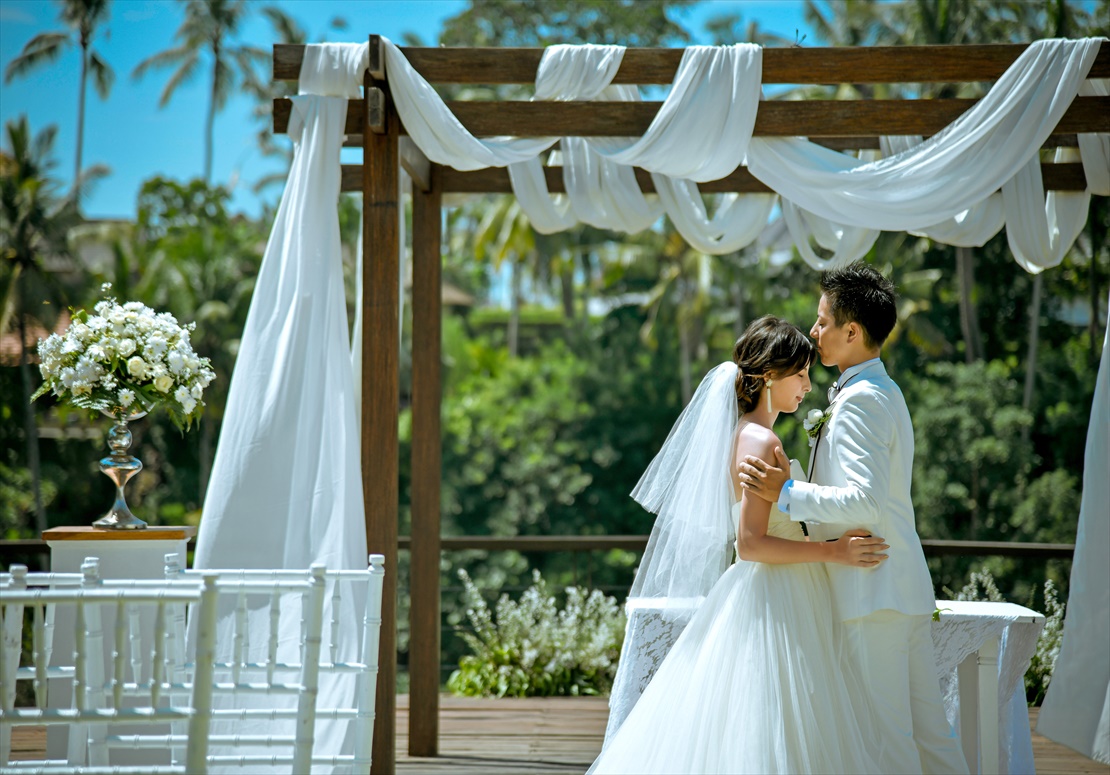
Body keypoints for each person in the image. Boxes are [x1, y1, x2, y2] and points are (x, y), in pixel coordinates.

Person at [588, 315, 888, 775]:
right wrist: (833, 551)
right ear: (770, 377)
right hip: (774, 595)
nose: (808, 384)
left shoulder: (747, 434)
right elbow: (750, 544)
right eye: (801, 374)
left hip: (783, 592)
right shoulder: (761, 441)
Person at [738, 262, 969, 775]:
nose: (814, 331)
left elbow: (864, 501)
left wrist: (788, 492)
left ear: (852, 331)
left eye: (822, 322)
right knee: (931, 736)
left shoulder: (860, 401)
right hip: (897, 589)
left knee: (888, 742)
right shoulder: (880, 390)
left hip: (870, 591)